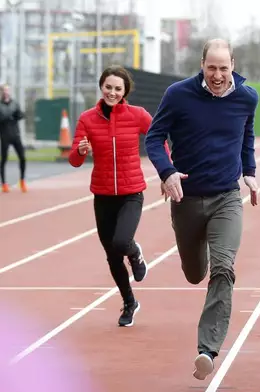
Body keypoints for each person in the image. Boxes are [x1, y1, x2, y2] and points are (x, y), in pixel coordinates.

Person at [144, 38, 259, 381]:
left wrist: (249, 173)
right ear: (202, 65)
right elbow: (154, 137)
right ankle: (199, 257)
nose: (218, 75)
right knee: (195, 273)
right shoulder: (178, 94)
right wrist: (167, 173)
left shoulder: (247, 97)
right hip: (187, 200)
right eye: (212, 67)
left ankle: (207, 349)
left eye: (224, 68)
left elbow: (247, 135)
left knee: (223, 269)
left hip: (226, 196)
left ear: (233, 66)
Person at [69, 65, 169, 327]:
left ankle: (135, 252)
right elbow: (74, 161)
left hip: (131, 192)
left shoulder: (137, 115)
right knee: (112, 255)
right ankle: (129, 302)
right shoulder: (87, 119)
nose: (112, 92)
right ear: (102, 88)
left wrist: (167, 171)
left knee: (122, 241)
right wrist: (80, 150)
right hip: (102, 196)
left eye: (117, 88)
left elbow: (158, 137)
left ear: (125, 91)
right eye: (108, 87)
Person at [0, 84, 27, 193]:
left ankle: (22, 181)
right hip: (4, 135)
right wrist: (8, 116)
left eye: (8, 90)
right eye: (4, 90)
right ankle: (4, 184)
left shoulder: (14, 103)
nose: (6, 92)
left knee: (22, 157)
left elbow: (20, 114)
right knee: (4, 159)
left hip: (15, 134)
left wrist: (18, 115)